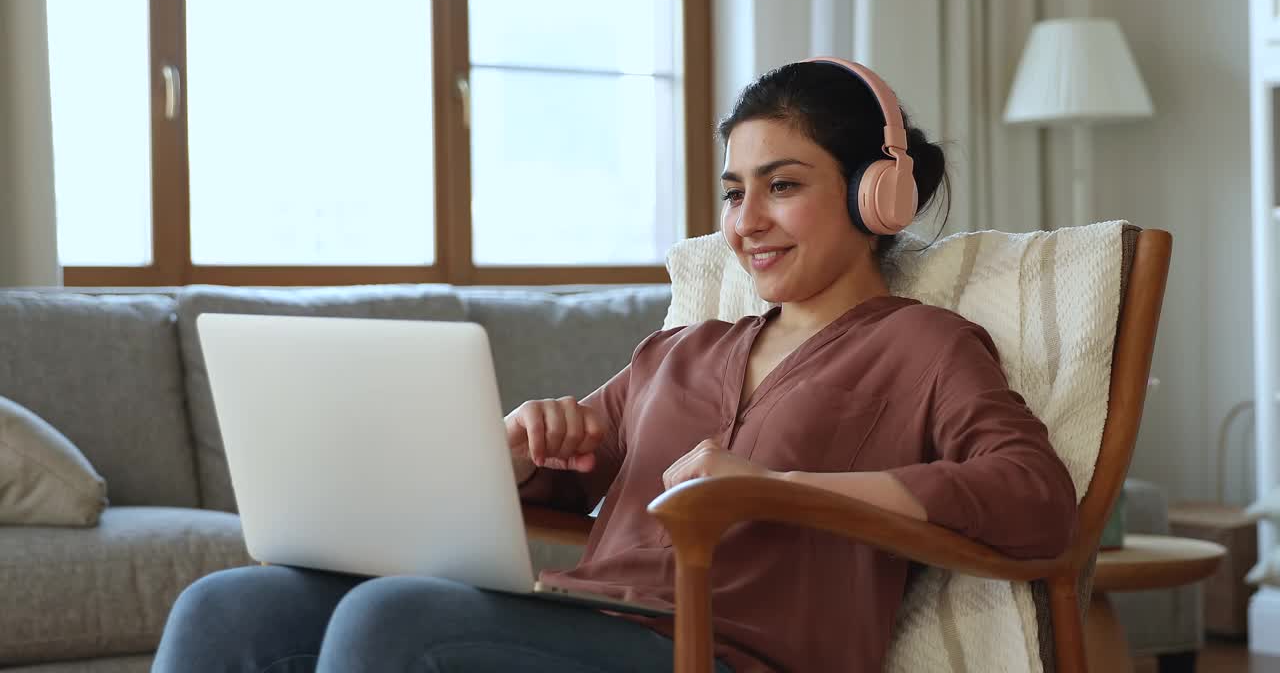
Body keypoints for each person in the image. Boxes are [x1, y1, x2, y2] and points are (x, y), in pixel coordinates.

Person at [153, 58, 1077, 673]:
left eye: (783, 186)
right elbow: (560, 478)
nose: (744, 221)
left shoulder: (922, 344)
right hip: (591, 621)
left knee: (390, 623)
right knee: (228, 608)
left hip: (728, 651)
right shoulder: (680, 350)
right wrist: (522, 447)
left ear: (877, 197)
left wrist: (781, 485)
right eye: (733, 191)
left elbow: (1034, 497)